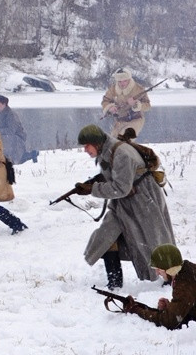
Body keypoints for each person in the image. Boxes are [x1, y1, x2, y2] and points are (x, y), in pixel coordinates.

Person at [75, 124, 175, 289]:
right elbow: (116, 176)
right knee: (105, 237)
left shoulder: (121, 153)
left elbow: (121, 187)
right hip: (124, 204)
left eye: (87, 145)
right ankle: (114, 283)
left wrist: (93, 189)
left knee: (155, 242)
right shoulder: (107, 151)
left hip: (144, 202)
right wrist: (93, 182)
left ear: (97, 142)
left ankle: (169, 280)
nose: (85, 149)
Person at [122, 245, 196, 330]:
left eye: (159, 269)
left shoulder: (184, 284)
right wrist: (172, 308)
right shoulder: (187, 270)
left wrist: (136, 310)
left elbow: (169, 322)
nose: (157, 273)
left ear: (168, 268)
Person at [101, 67, 152, 139]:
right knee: (113, 142)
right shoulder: (112, 89)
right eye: (119, 81)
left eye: (125, 81)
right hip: (120, 120)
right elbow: (105, 101)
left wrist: (136, 105)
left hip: (136, 119)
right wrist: (110, 107)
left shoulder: (138, 88)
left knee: (124, 138)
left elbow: (148, 105)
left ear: (129, 79)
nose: (122, 84)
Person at [0, 95, 38, 164]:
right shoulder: (2, 114)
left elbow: (11, 130)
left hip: (17, 139)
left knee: (17, 159)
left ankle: (31, 154)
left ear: (4, 104)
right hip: (10, 139)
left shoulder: (11, 115)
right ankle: (31, 154)